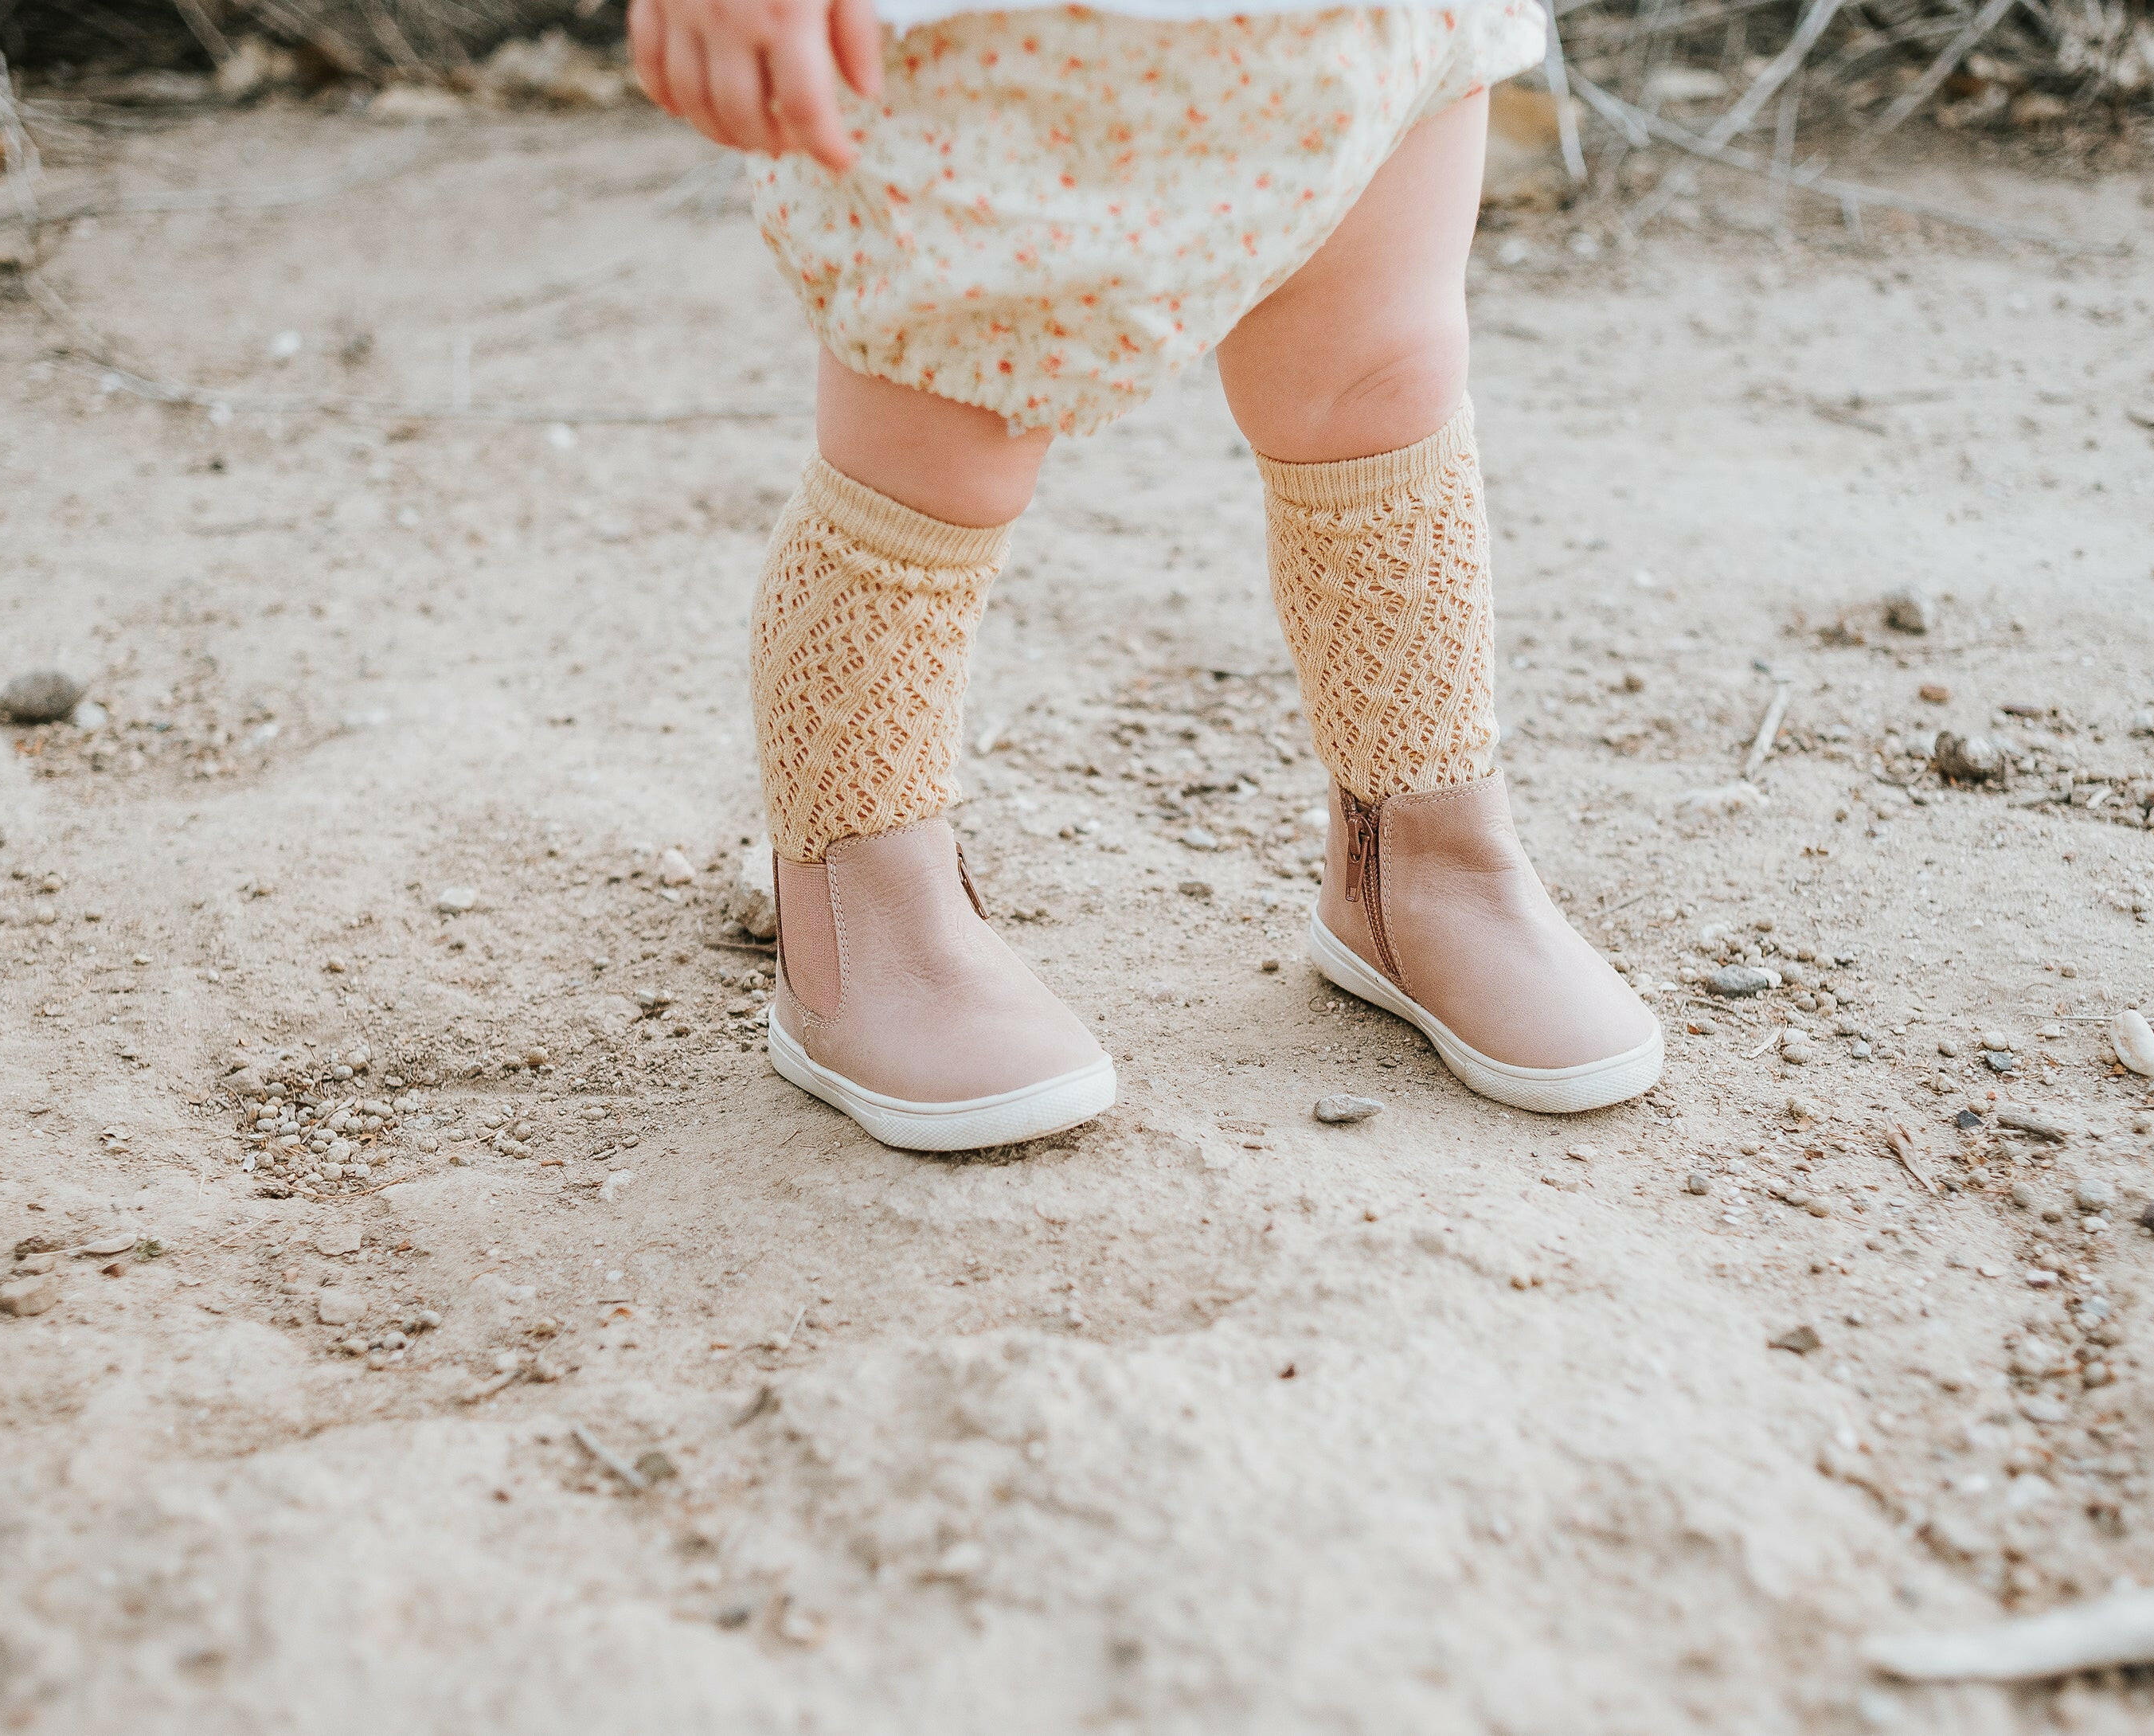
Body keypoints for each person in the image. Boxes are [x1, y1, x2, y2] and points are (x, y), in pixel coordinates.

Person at [627, 0, 1661, 1150]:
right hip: (997, 44)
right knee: (935, 440)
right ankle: (861, 928)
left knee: (1379, 381)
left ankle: (1425, 860)